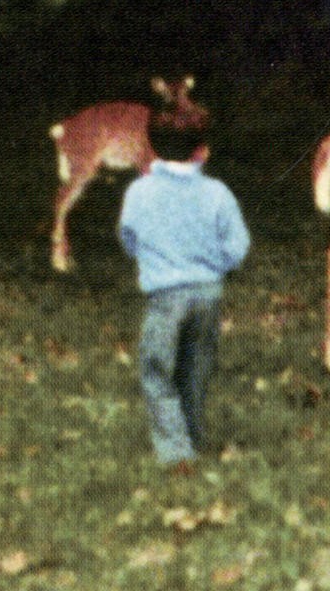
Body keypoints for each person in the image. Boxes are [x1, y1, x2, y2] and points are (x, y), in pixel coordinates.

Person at [118, 100, 249, 470]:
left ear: (152, 148)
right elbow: (237, 247)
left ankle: (177, 452)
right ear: (203, 150)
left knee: (158, 371)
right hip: (208, 294)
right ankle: (191, 435)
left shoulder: (139, 192)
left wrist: (152, 260)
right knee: (195, 368)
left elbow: (129, 236)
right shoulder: (218, 194)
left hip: (165, 296)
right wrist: (214, 268)